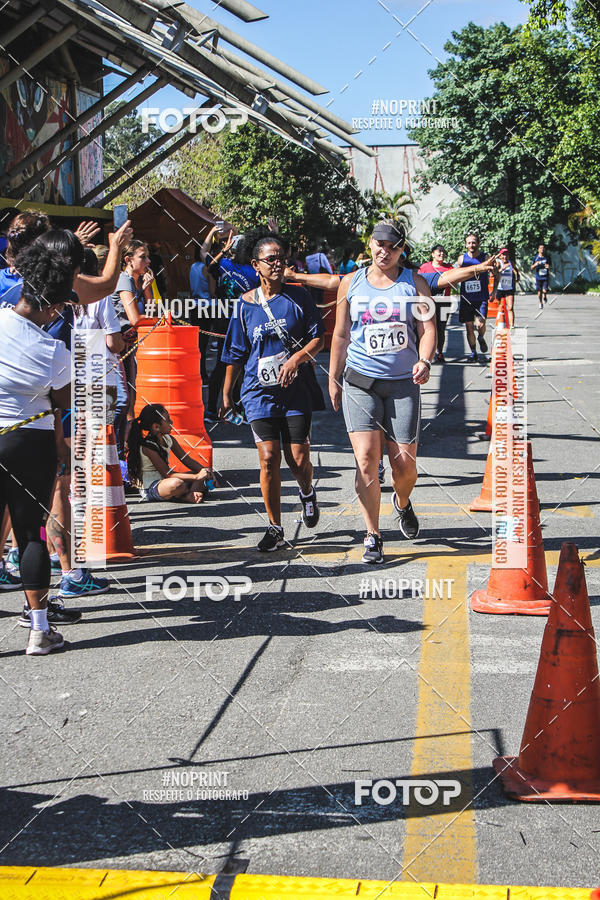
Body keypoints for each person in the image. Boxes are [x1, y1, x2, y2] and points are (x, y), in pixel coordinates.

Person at [328, 219, 436, 564]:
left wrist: (425, 360)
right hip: (360, 382)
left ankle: (401, 503)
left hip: (404, 384)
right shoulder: (351, 283)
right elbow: (341, 335)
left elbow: (428, 328)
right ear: (369, 243)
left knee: (405, 467)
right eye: (379, 243)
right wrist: (333, 378)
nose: (384, 251)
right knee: (366, 462)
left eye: (392, 246)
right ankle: (373, 534)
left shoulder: (415, 283)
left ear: (402, 249)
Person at [220, 235, 325, 551]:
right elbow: (235, 352)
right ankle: (275, 527)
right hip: (258, 391)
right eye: (271, 259)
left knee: (298, 458)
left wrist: (296, 359)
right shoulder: (245, 305)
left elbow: (318, 339)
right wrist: (226, 394)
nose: (278, 264)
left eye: (282, 258)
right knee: (268, 458)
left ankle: (306, 490)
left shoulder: (299, 297)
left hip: (295, 390)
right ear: (256, 266)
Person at [0, 235, 77, 654]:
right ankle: (39, 631)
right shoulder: (53, 350)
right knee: (31, 534)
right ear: (52, 306)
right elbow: (65, 401)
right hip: (30, 441)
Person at [110, 240, 154, 454]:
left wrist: (147, 291)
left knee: (130, 401)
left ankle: (125, 451)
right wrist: (162, 319)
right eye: (143, 256)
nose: (148, 260)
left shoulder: (135, 282)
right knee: (122, 400)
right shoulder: (124, 280)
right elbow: (136, 319)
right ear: (128, 260)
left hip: (128, 347)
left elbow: (151, 312)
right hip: (115, 348)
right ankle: (117, 451)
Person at [127, 404, 213, 503]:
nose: (171, 422)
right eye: (168, 420)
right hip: (152, 487)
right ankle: (185, 495)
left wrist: (205, 472)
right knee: (177, 484)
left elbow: (186, 459)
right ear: (156, 427)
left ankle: (190, 494)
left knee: (202, 473)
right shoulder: (148, 447)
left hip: (166, 481)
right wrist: (197, 477)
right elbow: (167, 473)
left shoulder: (169, 439)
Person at [456, 232, 495, 362]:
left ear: (478, 243)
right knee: (469, 327)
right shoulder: (462, 259)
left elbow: (496, 273)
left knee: (480, 323)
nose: (471, 245)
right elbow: (456, 274)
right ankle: (473, 352)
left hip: (481, 297)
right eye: (469, 243)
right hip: (466, 298)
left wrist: (494, 290)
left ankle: (481, 337)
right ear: (466, 245)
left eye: (474, 242)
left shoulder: (485, 257)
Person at [418, 244, 454, 362]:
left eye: (443, 252)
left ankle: (439, 352)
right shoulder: (424, 267)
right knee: (426, 327)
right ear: (432, 254)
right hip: (428, 302)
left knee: (441, 328)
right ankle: (425, 353)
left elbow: (455, 282)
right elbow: (418, 281)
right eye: (439, 252)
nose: (442, 254)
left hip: (443, 302)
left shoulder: (449, 268)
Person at [189, 244, 216, 381]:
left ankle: (198, 372)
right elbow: (212, 291)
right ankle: (204, 375)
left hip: (195, 305)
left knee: (199, 343)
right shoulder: (208, 269)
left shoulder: (193, 267)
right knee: (209, 343)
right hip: (209, 306)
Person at [495, 248, 520, 328]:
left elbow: (516, 272)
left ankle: (512, 325)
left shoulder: (511, 263)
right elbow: (495, 273)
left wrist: (517, 277)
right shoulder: (499, 263)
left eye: (506, 254)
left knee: (510, 307)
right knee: (500, 307)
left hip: (509, 288)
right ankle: (500, 323)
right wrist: (502, 269)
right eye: (503, 255)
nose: (505, 256)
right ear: (500, 256)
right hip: (500, 288)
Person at [531, 243, 551, 308]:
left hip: (545, 276)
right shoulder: (535, 258)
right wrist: (535, 265)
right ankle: (540, 302)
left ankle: (544, 296)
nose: (542, 249)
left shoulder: (547, 257)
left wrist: (548, 266)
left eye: (543, 248)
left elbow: (550, 266)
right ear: (538, 250)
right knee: (539, 291)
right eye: (540, 248)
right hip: (538, 276)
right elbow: (531, 268)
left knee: (544, 290)